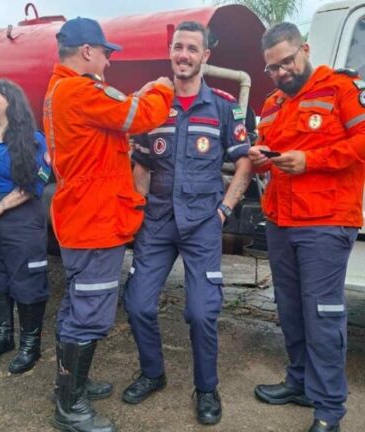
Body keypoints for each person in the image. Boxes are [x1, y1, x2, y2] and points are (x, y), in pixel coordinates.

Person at [43, 17, 174, 432]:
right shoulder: (81, 89)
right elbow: (142, 114)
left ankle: (69, 385)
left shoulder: (58, 90)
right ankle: (70, 408)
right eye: (105, 53)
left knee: (74, 307)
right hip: (95, 221)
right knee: (90, 315)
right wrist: (163, 86)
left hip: (81, 217)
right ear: (86, 52)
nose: (108, 62)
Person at [122, 21, 253, 426]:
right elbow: (141, 161)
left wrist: (224, 210)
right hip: (158, 223)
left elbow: (244, 161)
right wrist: (140, 207)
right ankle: (152, 373)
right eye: (178, 47)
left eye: (192, 49)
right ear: (171, 52)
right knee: (138, 303)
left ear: (205, 56)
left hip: (202, 225)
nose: (183, 55)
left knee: (201, 312)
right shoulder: (154, 103)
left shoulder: (223, 106)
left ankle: (207, 388)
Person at [248, 22, 365, 432]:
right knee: (291, 310)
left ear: (305, 50)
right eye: (273, 68)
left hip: (326, 223)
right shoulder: (272, 103)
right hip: (281, 219)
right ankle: (299, 382)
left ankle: (329, 408)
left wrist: (311, 161)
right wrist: (260, 156)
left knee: (322, 314)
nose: (281, 72)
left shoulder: (341, 89)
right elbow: (266, 148)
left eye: (287, 62)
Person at [0, 79, 51, 375]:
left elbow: (36, 181)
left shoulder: (33, 140)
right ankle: (3, 336)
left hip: (20, 218)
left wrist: (0, 207)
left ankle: (30, 345)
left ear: (12, 102)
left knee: (27, 281)